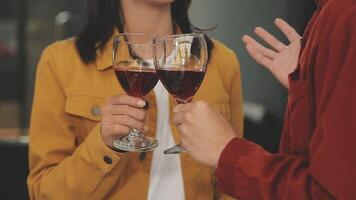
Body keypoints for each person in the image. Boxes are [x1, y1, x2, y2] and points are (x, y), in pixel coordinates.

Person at [27, 0, 243, 199]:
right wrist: (103, 144)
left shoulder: (223, 63)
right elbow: (45, 192)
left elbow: (233, 181)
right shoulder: (60, 62)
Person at [172, 0, 356, 199]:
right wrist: (306, 87)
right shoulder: (330, 12)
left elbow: (327, 192)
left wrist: (228, 152)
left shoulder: (346, 13)